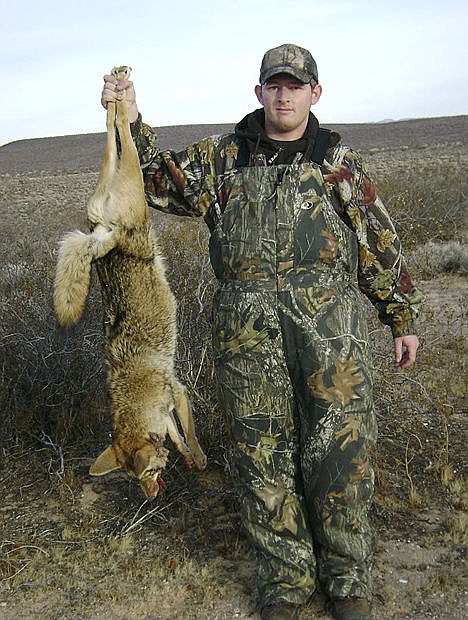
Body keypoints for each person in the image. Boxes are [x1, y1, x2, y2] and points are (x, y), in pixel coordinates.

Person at [101, 43, 423, 620]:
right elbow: (153, 180)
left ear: (313, 94)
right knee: (260, 456)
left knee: (342, 454)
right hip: (246, 334)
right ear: (259, 93)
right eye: (274, 85)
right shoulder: (225, 157)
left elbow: (379, 240)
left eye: (295, 86)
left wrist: (399, 316)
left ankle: (348, 579)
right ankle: (286, 582)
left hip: (332, 333)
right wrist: (127, 117)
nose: (284, 95)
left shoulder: (338, 163)